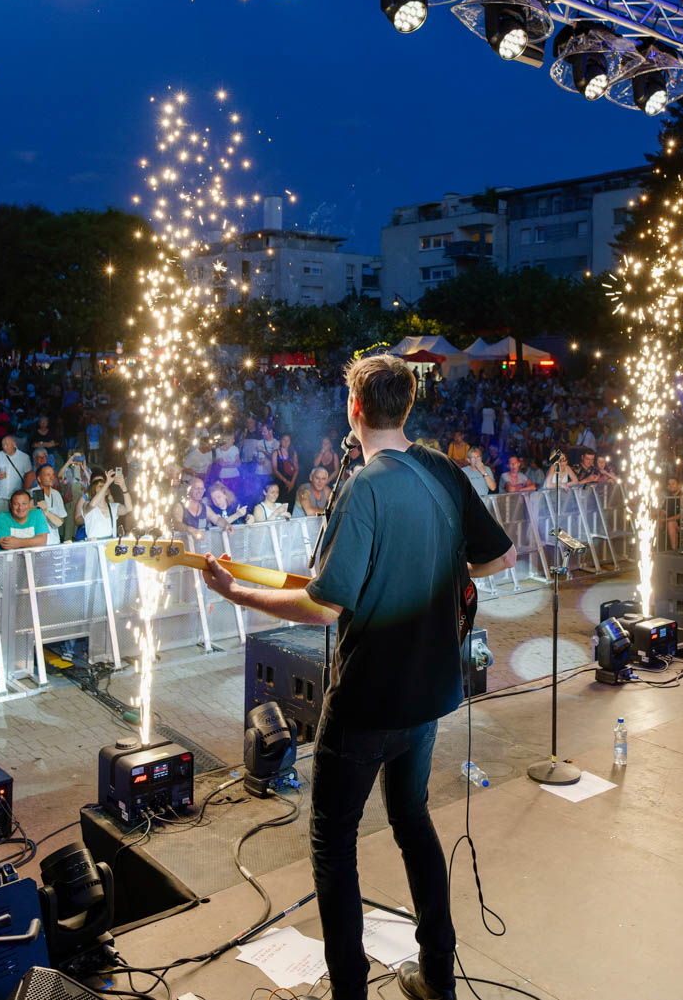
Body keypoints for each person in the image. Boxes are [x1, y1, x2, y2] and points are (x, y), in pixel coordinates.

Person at [199, 355, 516, 1000]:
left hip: (367, 700)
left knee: (333, 841)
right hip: (427, 696)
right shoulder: (442, 469)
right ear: (407, 406)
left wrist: (237, 595)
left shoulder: (365, 487)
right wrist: (439, 574)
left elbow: (324, 606)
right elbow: (502, 556)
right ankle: (438, 978)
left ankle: (350, 991)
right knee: (413, 822)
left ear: (354, 408)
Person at [75, 470, 130, 541]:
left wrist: (123, 487)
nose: (103, 488)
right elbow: (92, 505)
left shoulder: (113, 506)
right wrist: (107, 483)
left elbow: (128, 508)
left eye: (104, 485)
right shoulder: (86, 503)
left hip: (109, 544)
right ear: (93, 489)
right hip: (93, 544)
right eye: (100, 486)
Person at [0, 435, 29, 513]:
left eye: (7, 444)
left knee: (15, 519)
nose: (4, 447)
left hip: (17, 498)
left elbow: (29, 476)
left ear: (14, 444)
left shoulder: (24, 457)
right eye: (3, 445)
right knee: (1, 518)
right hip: (0, 497)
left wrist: (25, 493)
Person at [28, 465, 68, 541]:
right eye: (48, 475)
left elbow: (61, 521)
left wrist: (47, 512)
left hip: (54, 540)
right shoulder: (33, 493)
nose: (52, 478)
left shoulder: (56, 494)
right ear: (39, 479)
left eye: (53, 474)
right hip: (38, 541)